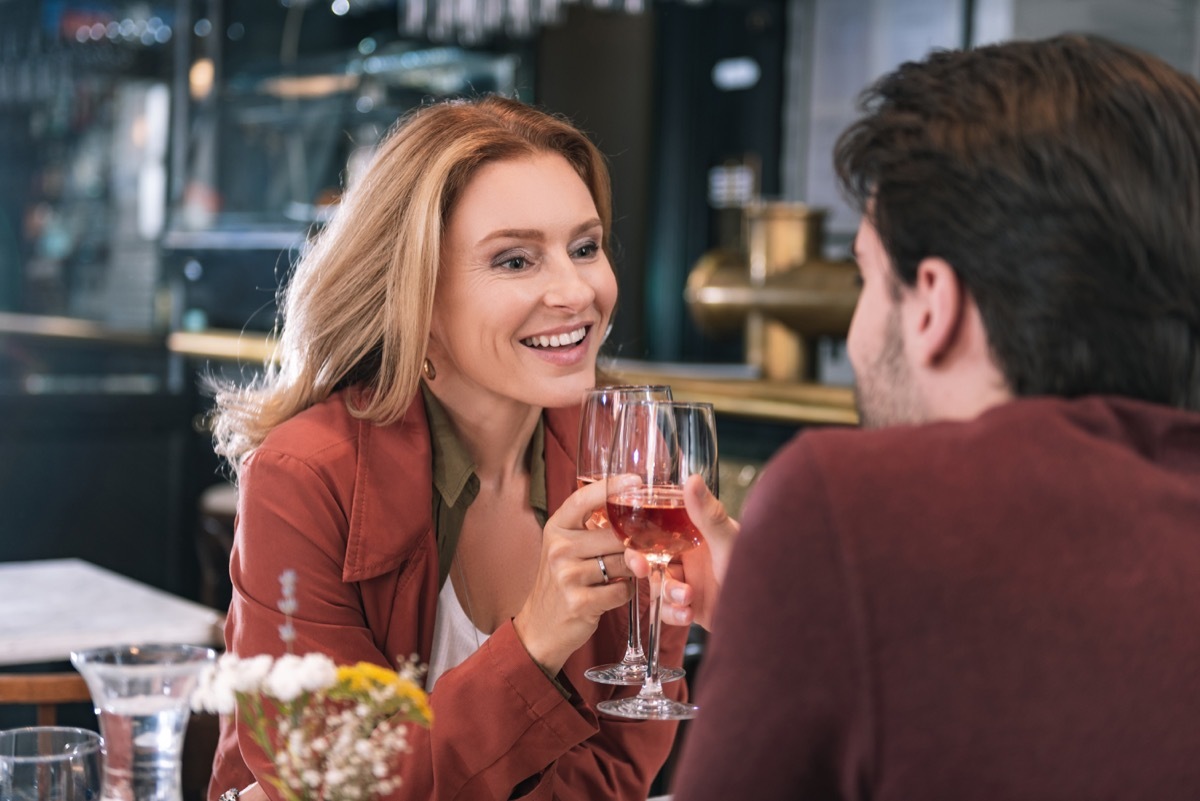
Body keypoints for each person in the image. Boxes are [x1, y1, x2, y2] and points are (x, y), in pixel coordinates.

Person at [641, 34, 1200, 799]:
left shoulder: (851, 506)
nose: (857, 323)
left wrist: (817, 569)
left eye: (866, 274)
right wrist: (786, 620)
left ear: (934, 302)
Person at [205, 95, 688, 801]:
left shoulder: (630, 458)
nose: (577, 289)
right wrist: (535, 643)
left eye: (585, 246)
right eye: (516, 260)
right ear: (417, 297)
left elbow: (620, 762)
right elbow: (331, 779)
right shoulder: (304, 474)